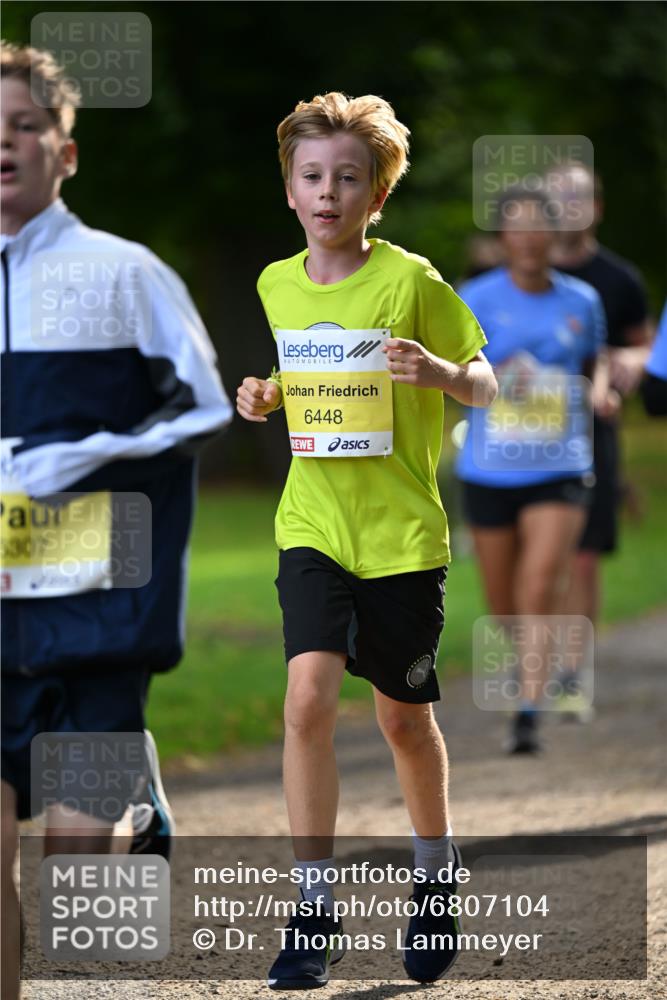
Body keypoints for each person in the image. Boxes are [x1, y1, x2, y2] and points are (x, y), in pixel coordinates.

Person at [236, 91, 496, 989]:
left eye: (349, 178)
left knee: (401, 718)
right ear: (290, 189)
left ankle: (434, 871)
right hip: (312, 526)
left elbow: (487, 383)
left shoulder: (411, 280)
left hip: (402, 537)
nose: (328, 193)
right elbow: (308, 369)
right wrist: (268, 395)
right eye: (312, 177)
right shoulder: (275, 282)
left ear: (376, 195)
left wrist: (438, 373)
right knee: (306, 698)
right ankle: (313, 905)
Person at [0, 42, 232, 1000]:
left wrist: (85, 456)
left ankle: (134, 800)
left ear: (66, 151)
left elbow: (206, 406)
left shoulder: (123, 272)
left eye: (24, 126)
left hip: (97, 607)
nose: (4, 145)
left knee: (73, 888)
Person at [454, 185, 609, 754]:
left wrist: (601, 393)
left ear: (554, 235)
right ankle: (530, 665)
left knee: (541, 583)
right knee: (503, 600)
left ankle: (528, 711)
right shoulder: (472, 296)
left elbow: (593, 368)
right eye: (515, 227)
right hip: (489, 468)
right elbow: (456, 377)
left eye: (538, 226)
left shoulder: (583, 301)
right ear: (502, 239)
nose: (527, 238)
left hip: (561, 463)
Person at [546, 163, 652, 708]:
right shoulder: (524, 273)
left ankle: (570, 671)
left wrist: (625, 361)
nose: (566, 208)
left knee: (583, 555)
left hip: (593, 433)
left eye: (577, 198)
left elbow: (647, 348)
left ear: (596, 208)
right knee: (542, 553)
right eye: (556, 198)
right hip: (529, 434)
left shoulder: (618, 279)